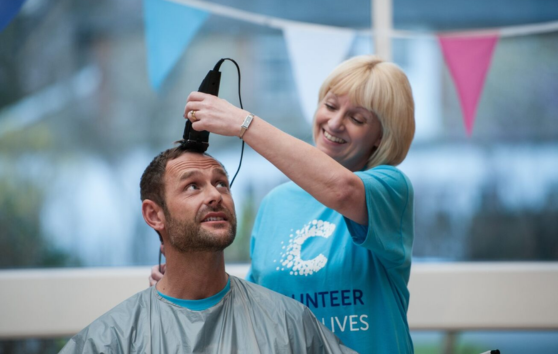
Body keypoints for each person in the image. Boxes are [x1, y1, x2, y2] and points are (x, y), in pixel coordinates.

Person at [152, 55, 416, 354]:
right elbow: (256, 306)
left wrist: (243, 123)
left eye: (357, 119)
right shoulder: (276, 204)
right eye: (330, 106)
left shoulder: (390, 188)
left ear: (380, 138)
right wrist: (188, 281)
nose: (335, 122)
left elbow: (342, 190)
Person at [60, 147, 356, 354]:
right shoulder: (112, 340)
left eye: (221, 183)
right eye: (192, 186)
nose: (215, 195)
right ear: (154, 215)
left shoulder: (290, 324)